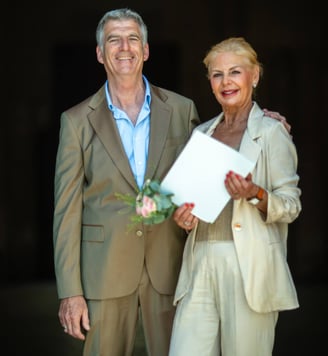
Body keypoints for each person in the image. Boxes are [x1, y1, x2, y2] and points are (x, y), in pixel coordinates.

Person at [53, 8, 290, 355]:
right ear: (100, 53)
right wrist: (70, 291)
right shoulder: (75, 121)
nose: (124, 47)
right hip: (104, 273)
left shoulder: (182, 110)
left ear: (146, 51)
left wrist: (263, 119)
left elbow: (216, 147)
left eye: (133, 38)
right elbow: (66, 210)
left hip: (171, 269)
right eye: (113, 40)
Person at [168, 37, 302, 356]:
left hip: (248, 268)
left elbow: (291, 204)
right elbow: (191, 203)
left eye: (235, 72)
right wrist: (184, 220)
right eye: (217, 74)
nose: (226, 82)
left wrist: (255, 193)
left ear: (253, 76)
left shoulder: (271, 132)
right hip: (198, 262)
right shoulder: (201, 134)